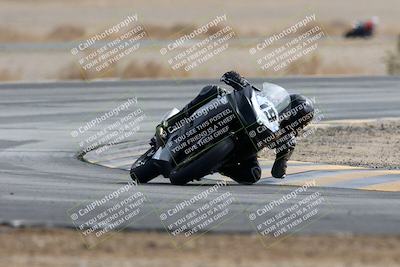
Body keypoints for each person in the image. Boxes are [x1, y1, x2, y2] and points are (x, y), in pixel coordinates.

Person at [152, 71, 314, 183]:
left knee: (253, 175)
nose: (296, 121)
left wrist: (283, 156)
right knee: (213, 91)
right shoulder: (266, 101)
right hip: (232, 119)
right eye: (296, 115)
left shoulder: (288, 140)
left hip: (244, 151)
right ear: (288, 107)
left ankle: (220, 166)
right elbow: (247, 89)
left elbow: (277, 173)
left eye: (301, 121)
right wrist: (239, 80)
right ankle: (170, 123)